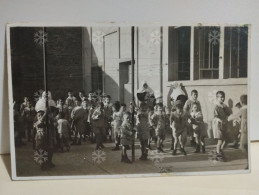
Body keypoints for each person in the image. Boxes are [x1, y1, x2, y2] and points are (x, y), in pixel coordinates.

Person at [212, 91, 231, 161]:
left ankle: (220, 151)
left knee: (226, 140)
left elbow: (228, 114)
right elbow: (216, 117)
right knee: (220, 141)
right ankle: (218, 154)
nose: (222, 98)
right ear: (217, 98)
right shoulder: (216, 106)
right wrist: (221, 120)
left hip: (224, 125)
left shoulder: (224, 106)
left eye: (223, 97)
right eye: (221, 97)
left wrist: (228, 117)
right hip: (218, 125)